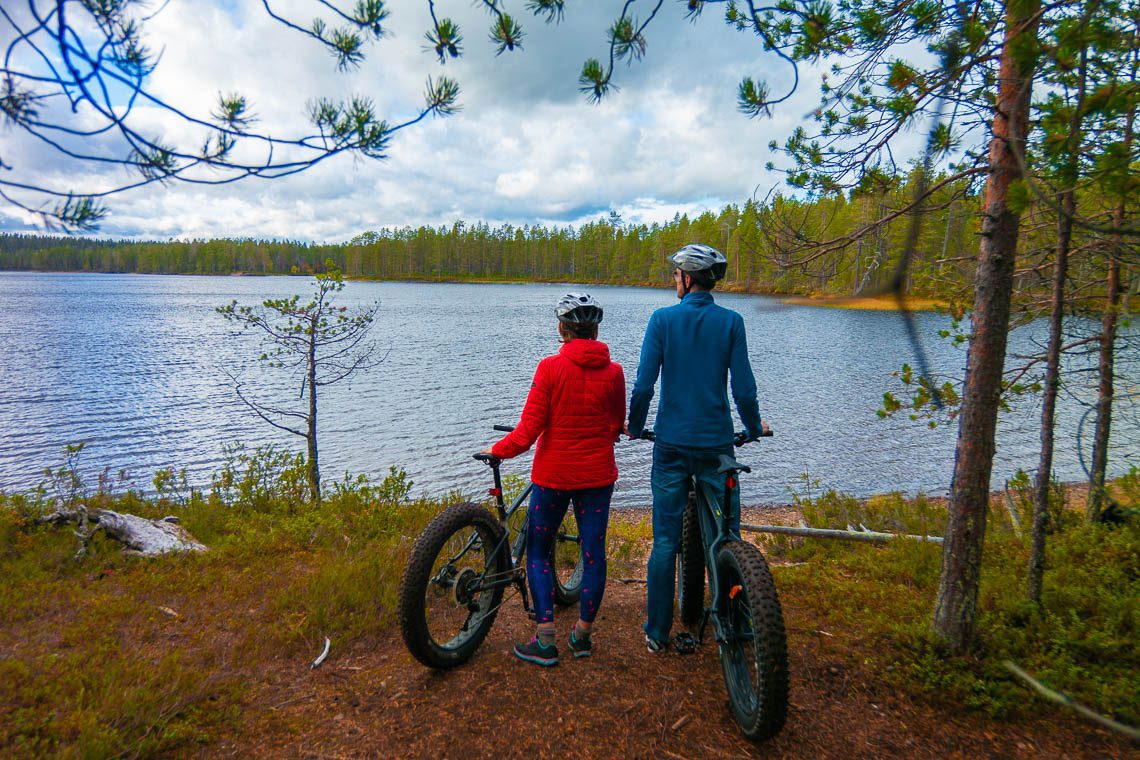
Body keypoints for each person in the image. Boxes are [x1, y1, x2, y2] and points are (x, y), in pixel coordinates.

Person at [626, 243, 768, 652]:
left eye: (676, 275)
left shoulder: (662, 320)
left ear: (688, 279)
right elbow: (743, 388)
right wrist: (754, 428)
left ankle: (656, 634)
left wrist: (635, 427)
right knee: (727, 537)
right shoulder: (732, 323)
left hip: (670, 446)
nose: (674, 281)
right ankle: (734, 626)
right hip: (717, 447)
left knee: (665, 542)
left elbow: (643, 386)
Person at [485, 293, 626, 666]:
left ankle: (545, 640)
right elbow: (615, 425)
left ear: (562, 329)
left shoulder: (549, 368)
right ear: (595, 331)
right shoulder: (614, 373)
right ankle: (581, 636)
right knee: (594, 554)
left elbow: (528, 432)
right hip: (597, 476)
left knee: (538, 551)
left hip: (553, 477)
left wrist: (498, 450)